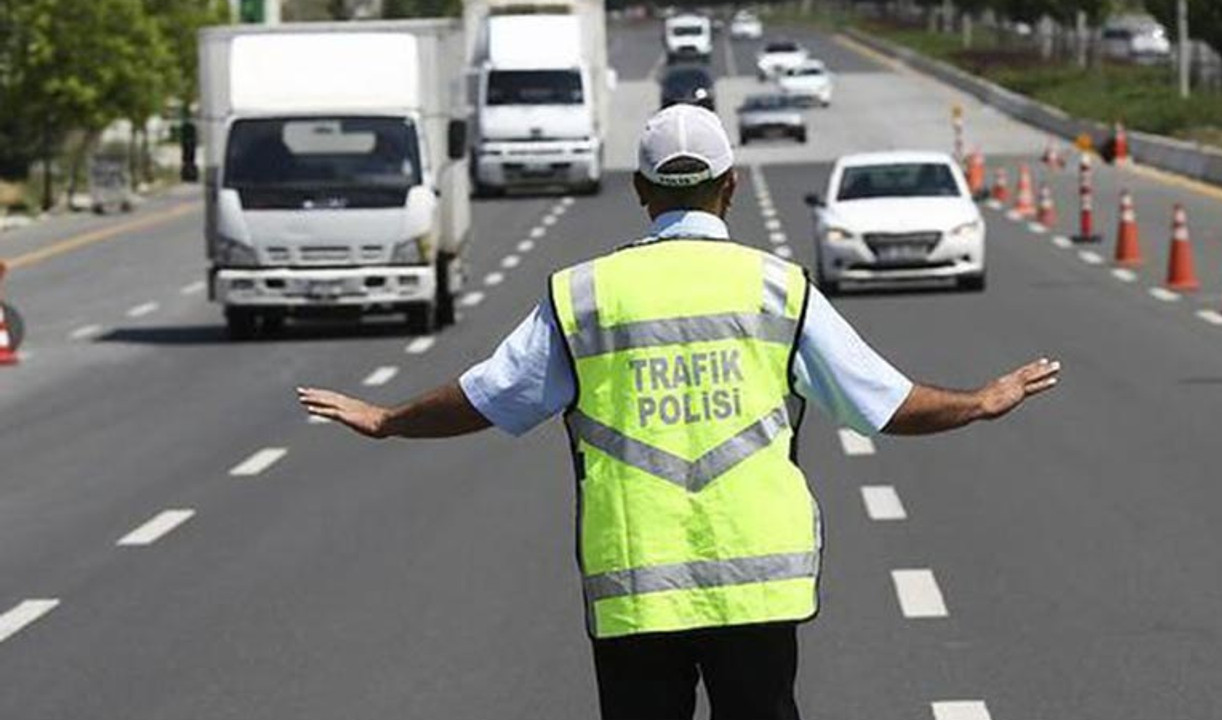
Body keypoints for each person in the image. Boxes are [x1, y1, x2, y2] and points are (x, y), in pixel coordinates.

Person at [297, 105, 1061, 720]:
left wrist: (388, 418)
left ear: (640, 189)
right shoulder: (776, 289)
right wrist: (980, 402)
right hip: (757, 584)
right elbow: (883, 403)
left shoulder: (586, 295)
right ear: (729, 187)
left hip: (635, 587)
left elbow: (488, 395)